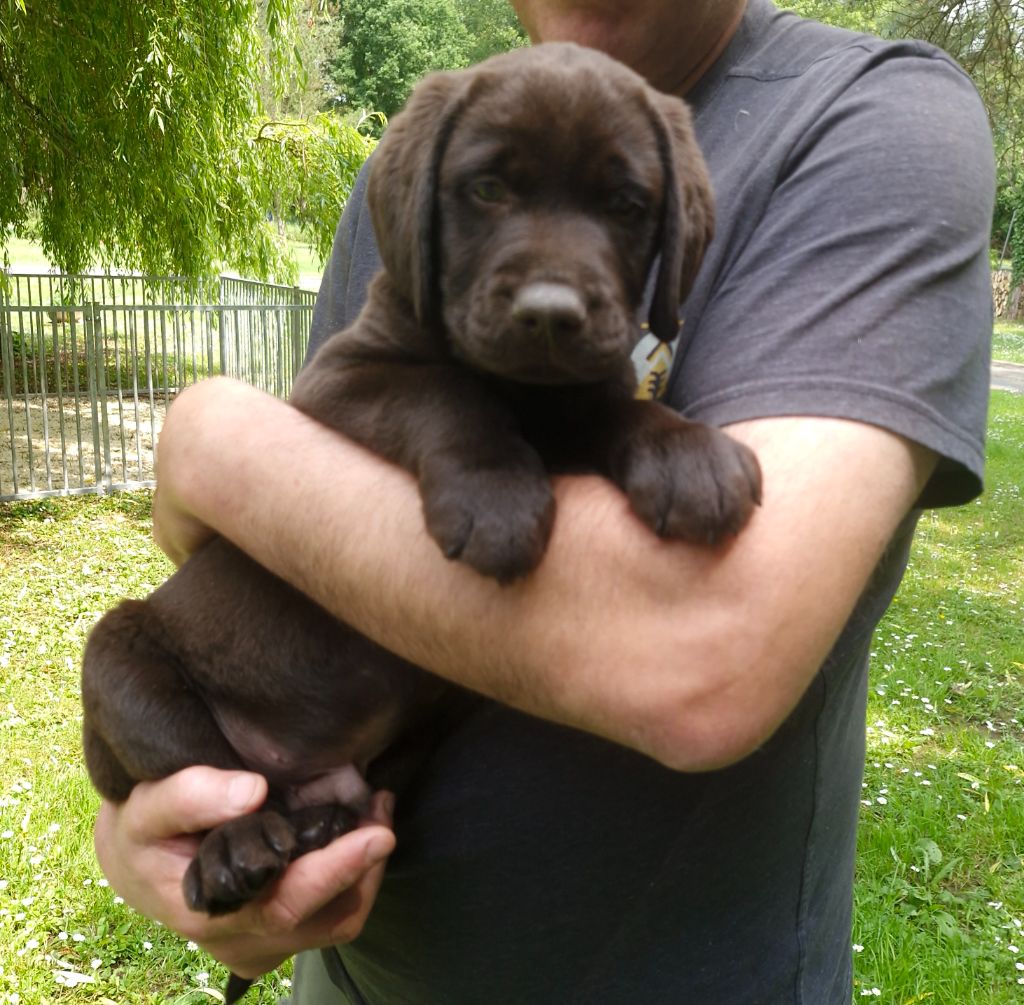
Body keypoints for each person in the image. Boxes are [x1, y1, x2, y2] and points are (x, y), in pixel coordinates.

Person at [92, 1, 995, 1001]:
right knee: (122, 655)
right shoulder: (427, 145)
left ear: (673, 240)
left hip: (687, 981)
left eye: (619, 207)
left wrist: (215, 445)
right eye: (491, 192)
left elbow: (705, 662)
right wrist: (156, 828)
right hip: (346, 952)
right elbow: (326, 456)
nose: (553, 287)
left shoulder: (866, 120)